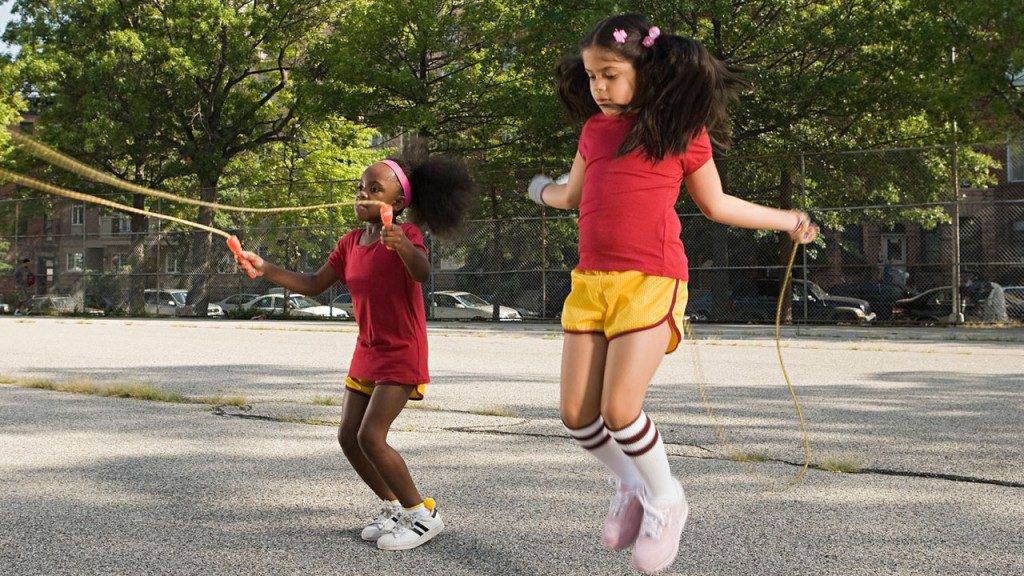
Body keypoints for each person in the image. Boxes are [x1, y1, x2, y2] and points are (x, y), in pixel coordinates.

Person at [526, 13, 819, 575]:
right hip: (591, 283)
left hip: (651, 281)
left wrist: (788, 219)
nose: (598, 87)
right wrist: (542, 190)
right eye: (591, 76)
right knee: (577, 416)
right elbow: (572, 195)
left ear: (646, 70)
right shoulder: (594, 132)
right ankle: (631, 484)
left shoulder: (681, 133)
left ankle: (666, 497)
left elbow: (717, 205)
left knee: (619, 410)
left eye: (610, 75)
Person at [235, 152, 473, 551]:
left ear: (398, 202)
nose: (362, 194)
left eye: (374, 188)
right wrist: (265, 268)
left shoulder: (405, 234)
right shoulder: (350, 243)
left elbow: (421, 272)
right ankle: (395, 507)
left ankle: (422, 515)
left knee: (371, 436)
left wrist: (401, 245)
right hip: (367, 350)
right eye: (360, 187)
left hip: (402, 350)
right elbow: (313, 284)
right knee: (349, 436)